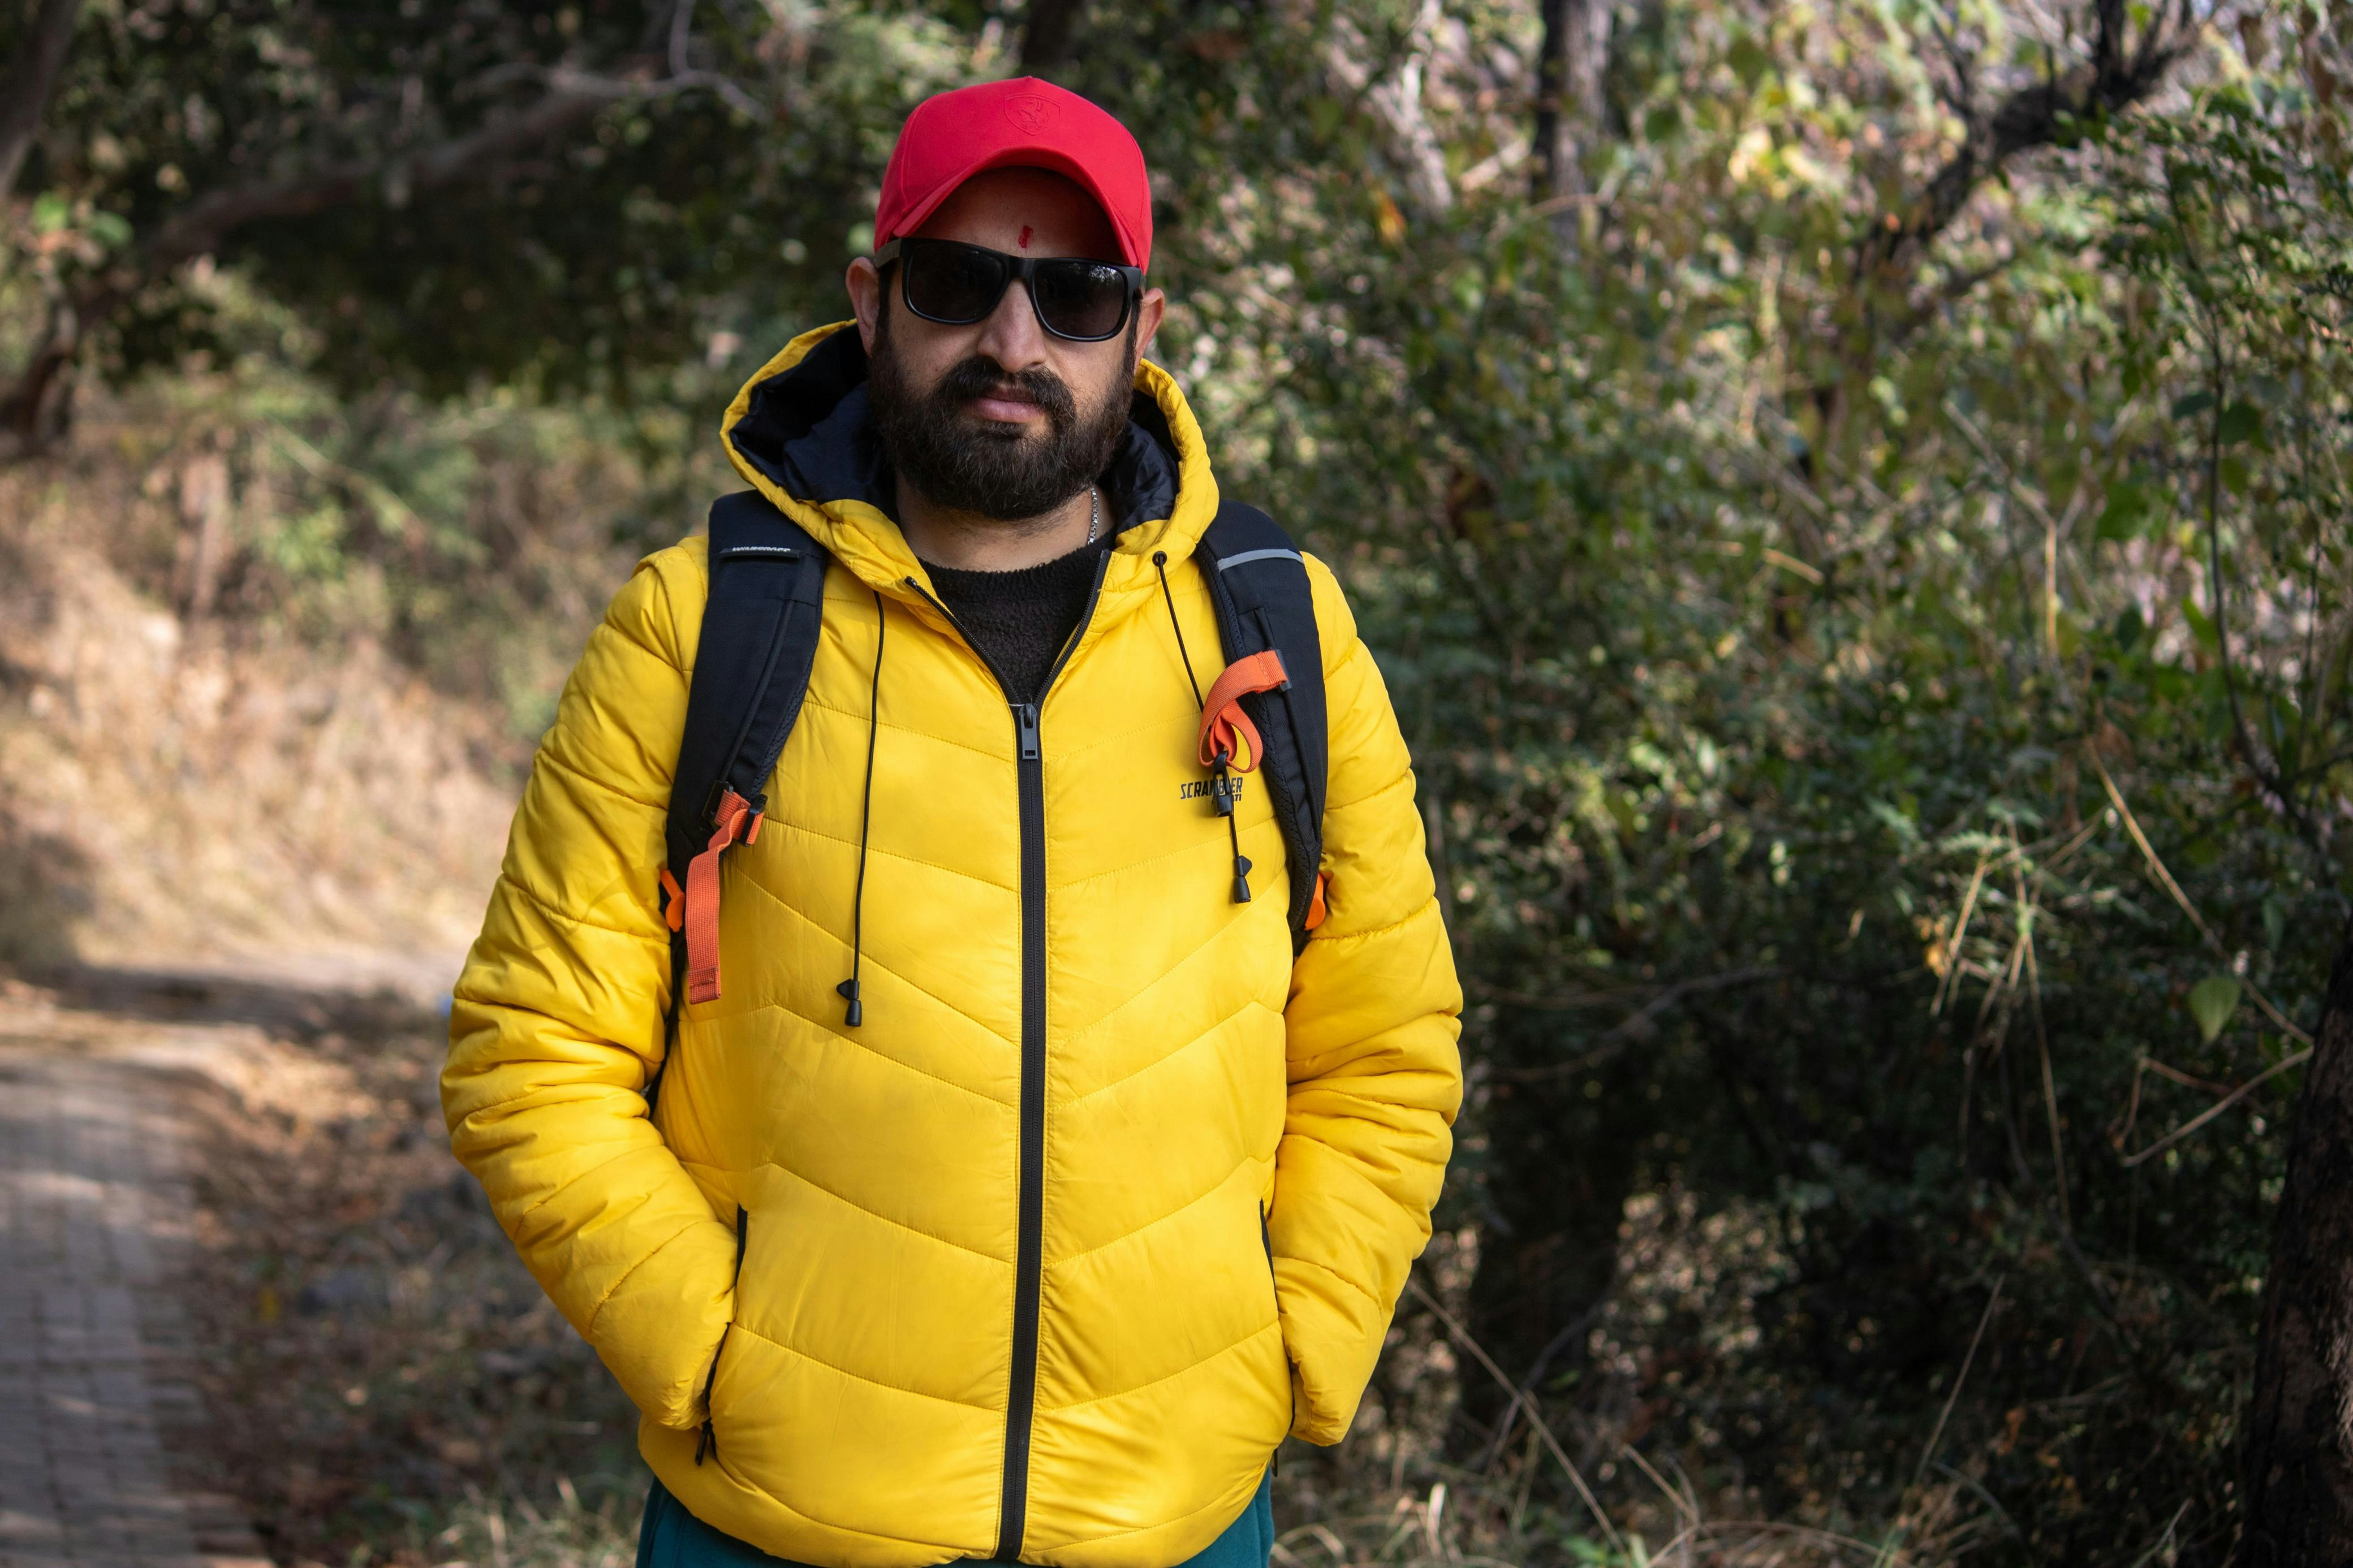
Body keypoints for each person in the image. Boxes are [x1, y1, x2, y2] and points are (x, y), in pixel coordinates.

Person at [442, 76, 1462, 1568]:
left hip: (1173, 1523)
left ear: (1142, 330)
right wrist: (717, 1361)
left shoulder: (1280, 632)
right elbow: (532, 1051)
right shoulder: (700, 624)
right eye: (958, 282)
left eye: (1076, 296)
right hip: (779, 1527)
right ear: (872, 302)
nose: (1015, 340)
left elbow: (1387, 1050)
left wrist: (1293, 1350)